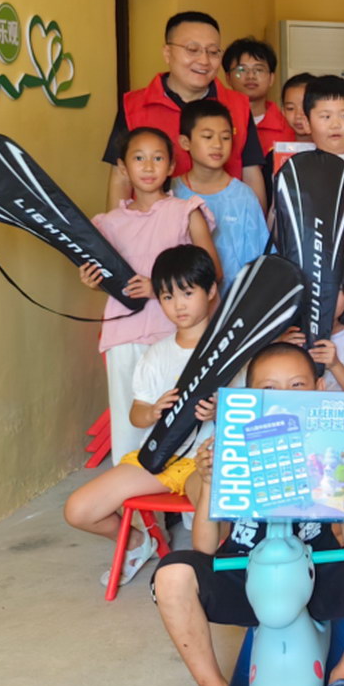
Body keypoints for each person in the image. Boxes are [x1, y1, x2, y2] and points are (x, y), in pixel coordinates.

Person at [151, 342, 344, 686]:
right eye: (269, 388)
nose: (285, 396)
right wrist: (210, 483)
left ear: (320, 390)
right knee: (171, 574)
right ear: (249, 397)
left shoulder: (335, 449)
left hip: (318, 574)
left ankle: (343, 680)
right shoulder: (225, 451)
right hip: (246, 580)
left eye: (297, 385)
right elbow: (205, 547)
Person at [64, 246, 220, 587]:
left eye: (188, 293)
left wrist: (219, 411)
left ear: (210, 292)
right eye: (167, 297)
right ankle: (138, 542)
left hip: (207, 461)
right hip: (160, 458)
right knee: (78, 509)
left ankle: (207, 581)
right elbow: (136, 415)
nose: (178, 305)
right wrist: (152, 411)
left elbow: (254, 411)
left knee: (211, 520)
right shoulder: (155, 355)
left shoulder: (230, 352)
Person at [87, 127, 218, 463]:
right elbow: (104, 275)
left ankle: (183, 484)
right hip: (124, 331)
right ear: (123, 167)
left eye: (158, 158)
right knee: (129, 415)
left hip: (175, 330)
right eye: (138, 158)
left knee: (179, 412)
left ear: (172, 165)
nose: (148, 166)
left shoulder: (186, 210)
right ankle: (131, 485)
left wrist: (158, 287)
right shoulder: (107, 223)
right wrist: (92, 280)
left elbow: (211, 270)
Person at [103, 11, 264, 207]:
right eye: (192, 49)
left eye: (213, 52)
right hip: (153, 223)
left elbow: (251, 176)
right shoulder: (133, 105)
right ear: (167, 53)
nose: (204, 61)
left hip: (227, 223)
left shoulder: (238, 105)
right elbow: (121, 179)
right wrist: (117, 223)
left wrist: (256, 222)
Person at [173, 100, 268, 282]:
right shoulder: (171, 191)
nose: (217, 144)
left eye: (225, 137)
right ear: (185, 142)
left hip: (235, 297)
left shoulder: (244, 196)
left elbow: (258, 262)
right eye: (208, 137)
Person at [221, 36, 289, 157]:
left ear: (271, 78)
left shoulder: (288, 126)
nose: (251, 76)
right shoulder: (216, 120)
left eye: (259, 70)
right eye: (242, 70)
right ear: (228, 78)